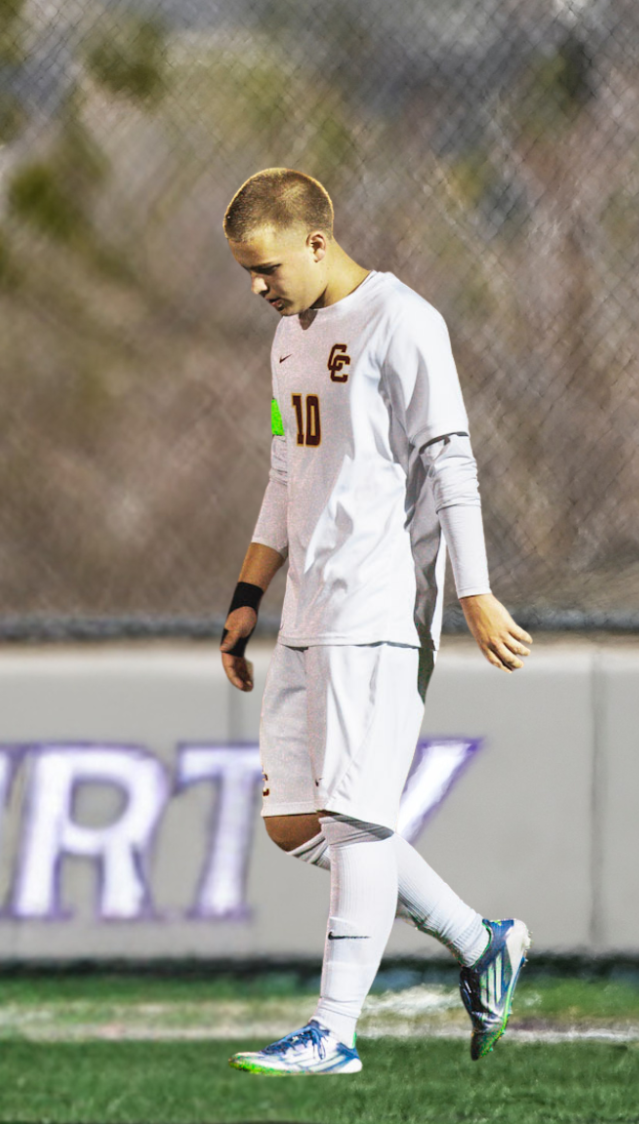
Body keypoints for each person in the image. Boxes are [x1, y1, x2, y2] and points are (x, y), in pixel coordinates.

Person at [216, 168, 534, 1075]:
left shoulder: (403, 321)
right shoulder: (288, 338)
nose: (258, 286)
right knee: (294, 821)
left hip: (381, 604)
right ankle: (483, 943)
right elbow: (286, 474)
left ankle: (334, 1032)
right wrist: (246, 600)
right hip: (308, 609)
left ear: (317, 242)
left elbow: (451, 460)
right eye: (246, 271)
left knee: (357, 818)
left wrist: (473, 591)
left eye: (267, 266)